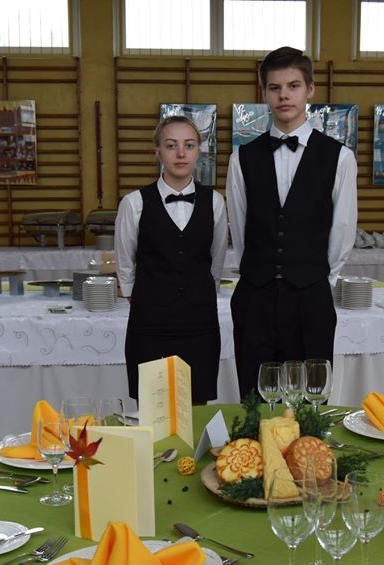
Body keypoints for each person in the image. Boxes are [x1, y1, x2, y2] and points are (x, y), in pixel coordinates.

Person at [226, 46, 358, 397]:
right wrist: (260, 272)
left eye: (293, 86)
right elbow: (240, 227)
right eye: (275, 87)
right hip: (255, 296)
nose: (284, 95)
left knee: (310, 398)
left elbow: (343, 229)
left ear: (310, 89)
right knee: (254, 396)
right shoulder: (242, 158)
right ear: (264, 93)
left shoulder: (340, 157)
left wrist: (314, 278)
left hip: (310, 297)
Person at [116, 115, 228, 404]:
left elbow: (215, 261)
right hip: (150, 323)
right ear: (158, 152)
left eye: (189, 145)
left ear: (198, 151)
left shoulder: (215, 202)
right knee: (153, 406)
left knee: (197, 404)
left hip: (199, 323)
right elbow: (125, 264)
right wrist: (141, 296)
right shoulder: (134, 203)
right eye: (171, 145)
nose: (181, 153)